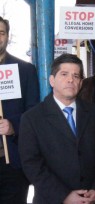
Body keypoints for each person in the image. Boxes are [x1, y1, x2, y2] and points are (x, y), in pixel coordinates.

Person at [18, 54, 95, 204]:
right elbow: (32, 164)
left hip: (93, 199)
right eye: (64, 74)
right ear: (51, 80)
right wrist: (64, 196)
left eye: (76, 76)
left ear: (81, 83)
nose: (71, 80)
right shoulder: (32, 119)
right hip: (52, 199)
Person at [0, 16, 40, 204]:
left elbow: (34, 112)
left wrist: (13, 125)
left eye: (1, 33)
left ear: (8, 36)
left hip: (12, 161)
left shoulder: (25, 70)